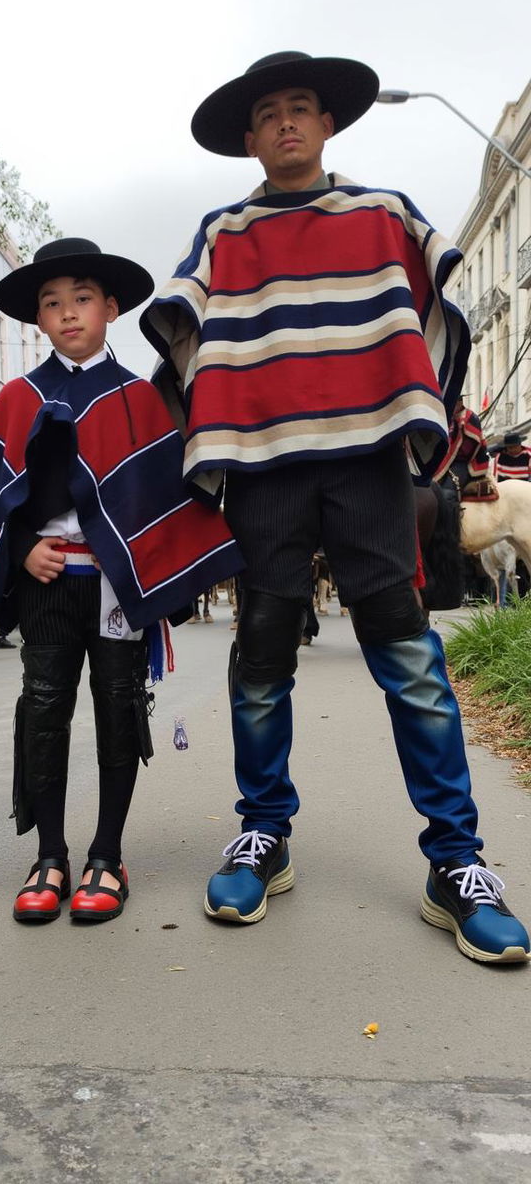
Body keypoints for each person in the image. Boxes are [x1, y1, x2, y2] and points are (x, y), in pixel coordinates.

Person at [141, 50, 530, 964]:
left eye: (302, 107)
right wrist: (225, 416)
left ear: (328, 124)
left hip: (364, 464)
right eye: (269, 112)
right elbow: (183, 329)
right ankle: (263, 833)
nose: (285, 122)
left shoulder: (383, 213)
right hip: (267, 468)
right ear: (249, 137)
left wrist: (410, 413)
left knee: (406, 651)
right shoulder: (224, 232)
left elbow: (436, 310)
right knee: (262, 652)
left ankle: (456, 861)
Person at [0, 238, 241, 925]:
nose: (67, 313)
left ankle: (107, 855)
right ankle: (51, 855)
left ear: (111, 307)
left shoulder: (139, 403)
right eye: (52, 303)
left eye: (82, 298)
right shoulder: (17, 399)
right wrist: (23, 545)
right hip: (47, 582)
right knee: (44, 708)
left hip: (116, 590)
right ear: (37, 319)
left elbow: (160, 501)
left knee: (119, 710)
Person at [433, 396, 490, 494]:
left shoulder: (470, 417)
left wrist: (449, 457)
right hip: (448, 461)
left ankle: (451, 508)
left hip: (466, 463)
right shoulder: (449, 418)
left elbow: (469, 450)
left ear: (459, 403)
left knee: (447, 490)